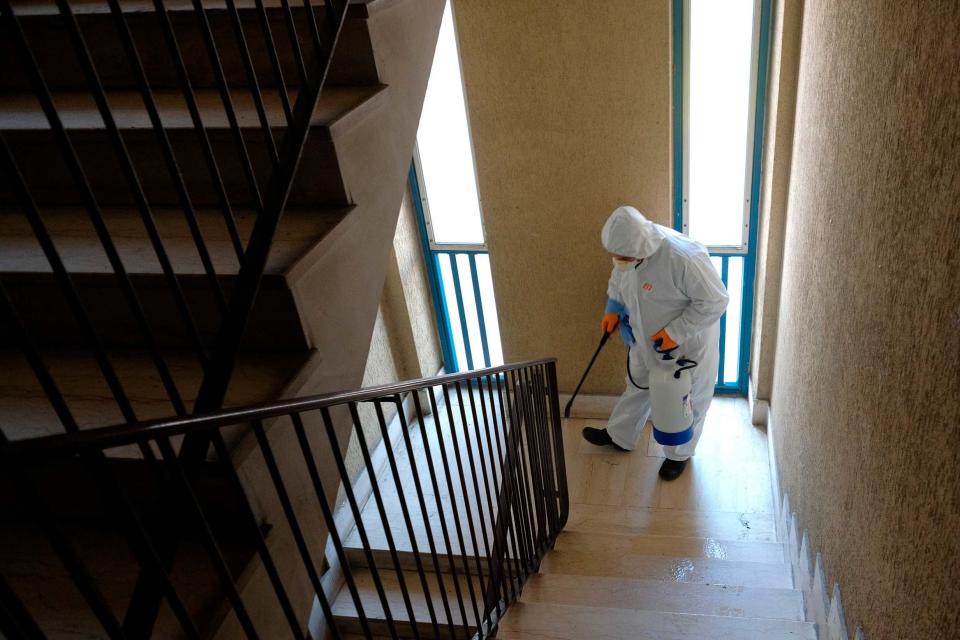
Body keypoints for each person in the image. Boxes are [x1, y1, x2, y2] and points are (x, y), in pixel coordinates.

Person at [582, 205, 729, 481]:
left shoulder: (683, 258)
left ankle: (678, 454)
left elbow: (716, 301)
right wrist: (613, 307)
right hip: (645, 340)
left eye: (622, 256)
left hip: (686, 347)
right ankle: (620, 435)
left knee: (686, 399)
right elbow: (620, 276)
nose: (618, 260)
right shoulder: (630, 252)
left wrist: (676, 332)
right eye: (615, 256)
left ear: (640, 248)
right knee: (638, 385)